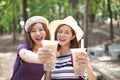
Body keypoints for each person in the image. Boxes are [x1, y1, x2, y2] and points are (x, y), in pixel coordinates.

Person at [11, 16, 51, 80]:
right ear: (29, 34)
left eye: (41, 29)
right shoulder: (23, 47)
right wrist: (44, 59)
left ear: (46, 32)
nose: (37, 33)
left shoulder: (48, 51)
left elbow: (47, 76)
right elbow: (25, 54)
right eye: (33, 31)